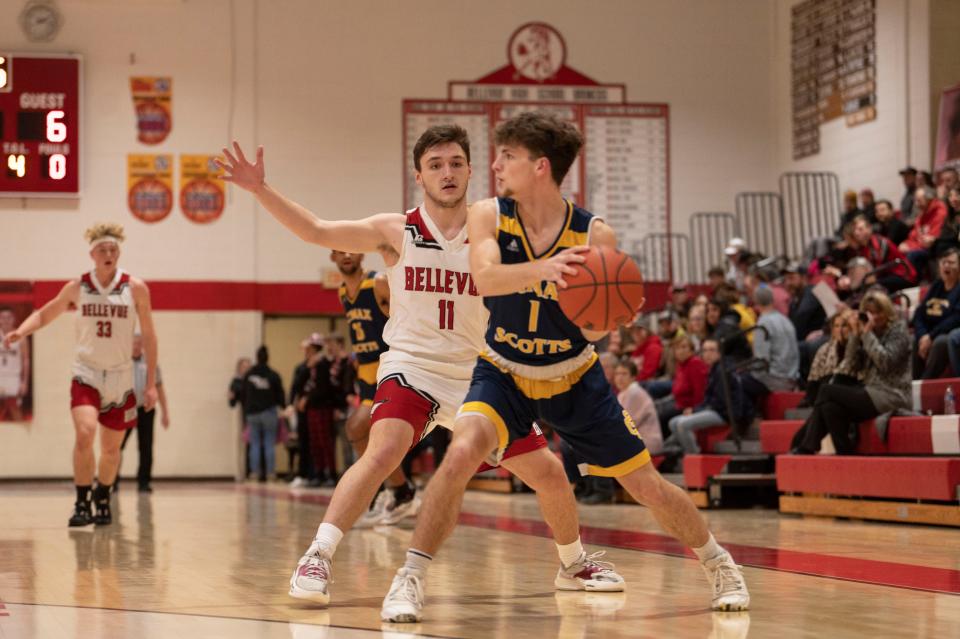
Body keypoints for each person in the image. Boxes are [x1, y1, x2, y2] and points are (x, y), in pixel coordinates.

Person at [218, 125, 623, 608]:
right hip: (415, 366)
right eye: (435, 165)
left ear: (471, 170)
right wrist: (260, 188)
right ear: (419, 176)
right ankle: (318, 556)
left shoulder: (498, 229)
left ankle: (573, 563)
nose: (446, 173)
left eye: (455, 163)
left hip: (481, 375)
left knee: (551, 474)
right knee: (384, 448)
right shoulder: (397, 230)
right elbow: (317, 231)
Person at [377, 112, 749, 623]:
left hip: (573, 374)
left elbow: (596, 333)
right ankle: (410, 577)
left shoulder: (595, 234)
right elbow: (485, 278)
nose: (496, 164)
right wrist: (546, 270)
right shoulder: (489, 214)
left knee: (644, 486)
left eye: (508, 155)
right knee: (460, 452)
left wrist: (609, 313)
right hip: (502, 368)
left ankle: (720, 564)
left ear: (540, 167)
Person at [2, 223, 158, 526]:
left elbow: (150, 337)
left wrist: (150, 384)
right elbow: (46, 311)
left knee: (111, 449)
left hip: (121, 376)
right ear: (92, 254)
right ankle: (81, 501)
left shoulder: (136, 288)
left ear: (119, 253)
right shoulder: (78, 287)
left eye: (113, 249)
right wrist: (21, 331)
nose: (109, 254)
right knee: (85, 433)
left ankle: (103, 495)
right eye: (103, 249)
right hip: (86, 372)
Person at [331, 250, 418, 526]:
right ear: (332, 256)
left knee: (357, 428)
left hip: (388, 366)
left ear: (360, 253)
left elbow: (409, 315)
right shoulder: (342, 291)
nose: (346, 255)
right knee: (364, 434)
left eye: (350, 249)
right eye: (339, 250)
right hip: (366, 373)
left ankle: (392, 492)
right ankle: (400, 492)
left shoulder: (378, 282)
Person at [791, 290, 911, 455]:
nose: (873, 317)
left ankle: (806, 444)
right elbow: (850, 362)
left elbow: (885, 363)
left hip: (892, 394)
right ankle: (845, 453)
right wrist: (855, 333)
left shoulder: (899, 332)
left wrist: (867, 334)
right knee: (830, 406)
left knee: (827, 390)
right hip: (871, 392)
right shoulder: (869, 332)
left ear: (887, 312)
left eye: (878, 312)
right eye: (869, 313)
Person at [119, 333, 170, 492]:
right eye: (133, 343)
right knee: (117, 445)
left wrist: (165, 412)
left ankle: (144, 482)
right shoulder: (122, 362)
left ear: (142, 345)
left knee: (146, 446)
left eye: (138, 343)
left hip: (146, 409)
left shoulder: (150, 363)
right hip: (125, 408)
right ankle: (112, 481)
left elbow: (159, 387)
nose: (136, 346)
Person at [912, 248, 960, 379]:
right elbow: (919, 313)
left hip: (945, 333)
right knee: (915, 339)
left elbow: (956, 319)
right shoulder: (936, 286)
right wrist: (923, 335)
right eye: (943, 262)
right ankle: (914, 383)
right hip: (930, 333)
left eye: (951, 262)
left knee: (941, 342)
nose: (946, 265)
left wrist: (931, 336)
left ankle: (925, 384)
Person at [241, 346, 285, 482]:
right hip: (268, 412)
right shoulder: (273, 375)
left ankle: (254, 473)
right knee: (269, 443)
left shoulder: (249, 375)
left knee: (254, 443)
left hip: (252, 413)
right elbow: (280, 394)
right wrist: (282, 406)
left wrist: (247, 410)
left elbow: (244, 394)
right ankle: (270, 473)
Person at [751, 286, 799, 392]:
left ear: (755, 302)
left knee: (737, 381)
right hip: (792, 376)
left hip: (774, 378)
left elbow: (761, 360)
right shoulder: (786, 320)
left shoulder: (763, 324)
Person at [0, 307, 29, 421]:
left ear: (14, 319)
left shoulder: (21, 337)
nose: (6, 320)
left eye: (9, 317)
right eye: (3, 317)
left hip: (13, 378)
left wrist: (24, 382)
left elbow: (26, 360)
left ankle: (21, 438)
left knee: (14, 409)